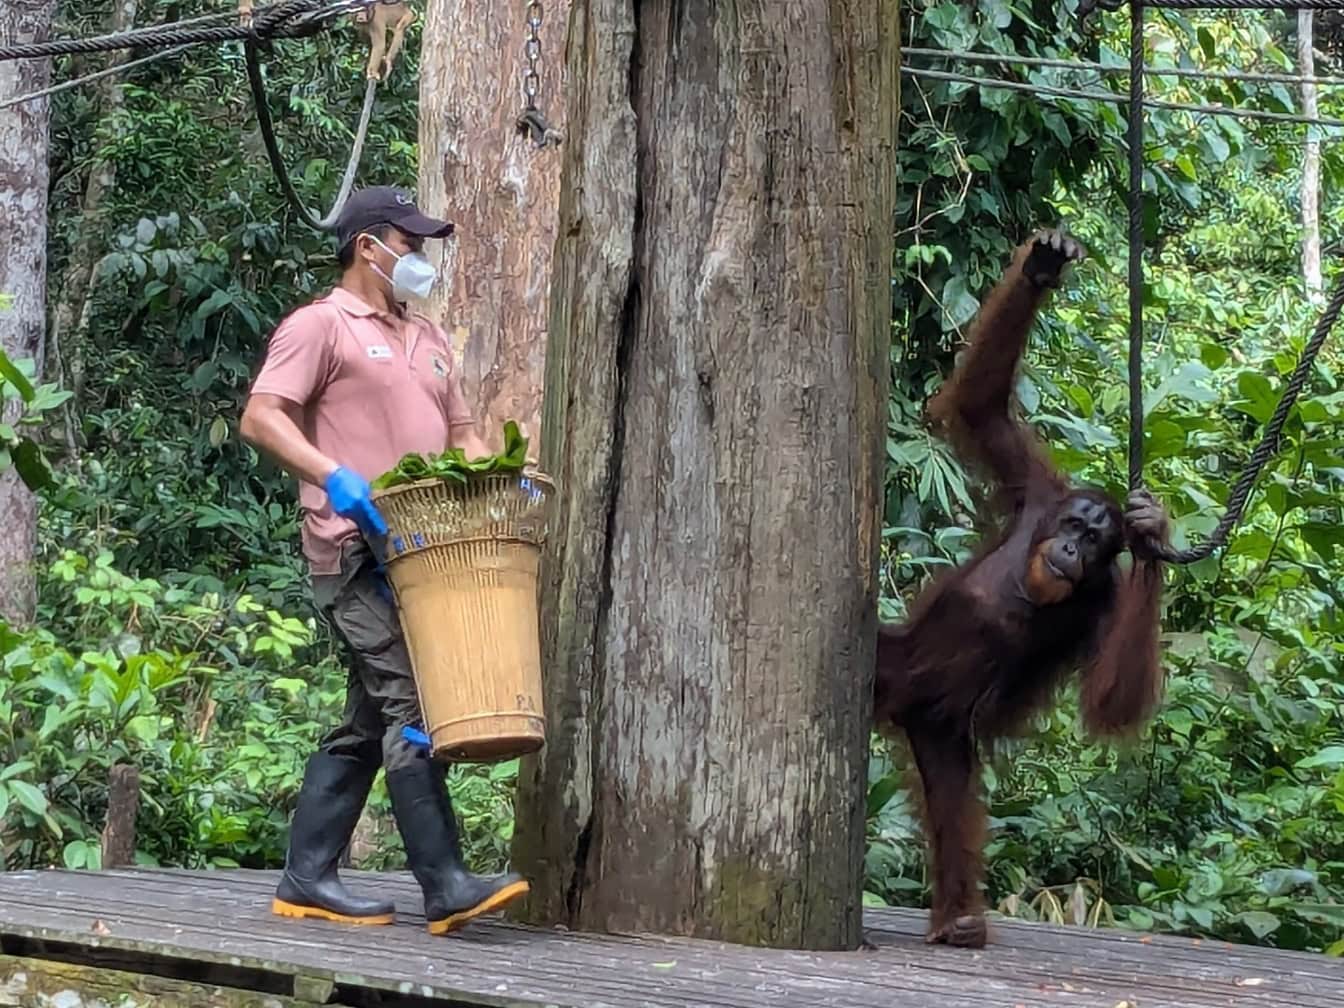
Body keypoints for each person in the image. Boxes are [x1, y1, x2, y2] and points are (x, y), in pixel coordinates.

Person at [240, 185, 528, 934]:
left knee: (369, 717)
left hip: (424, 556)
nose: (420, 258)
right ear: (369, 246)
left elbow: (459, 432)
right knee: (413, 702)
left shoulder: (429, 339)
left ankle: (307, 876)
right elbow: (262, 415)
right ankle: (445, 883)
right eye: (411, 242)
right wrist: (332, 474)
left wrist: (494, 471)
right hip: (350, 550)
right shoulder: (320, 326)